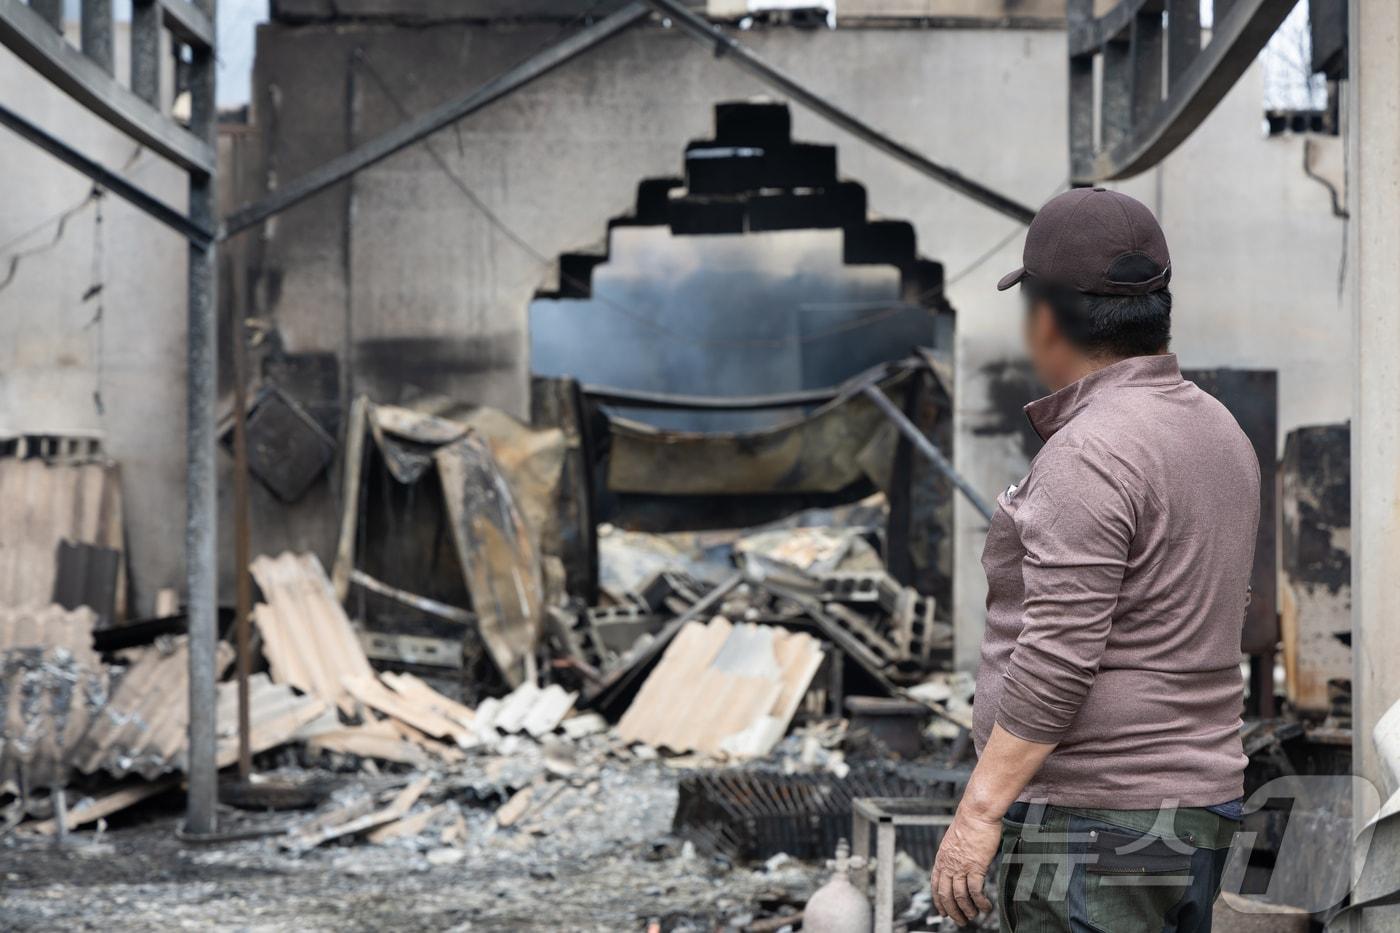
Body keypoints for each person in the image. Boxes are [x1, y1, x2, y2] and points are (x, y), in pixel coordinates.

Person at [929, 188, 1258, 931]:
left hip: (1096, 820)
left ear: (1045, 320)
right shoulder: (1220, 431)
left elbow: (1057, 655)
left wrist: (978, 813)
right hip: (1193, 803)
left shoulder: (1089, 451)